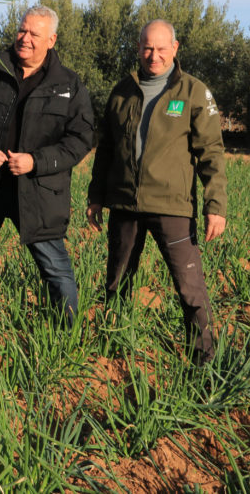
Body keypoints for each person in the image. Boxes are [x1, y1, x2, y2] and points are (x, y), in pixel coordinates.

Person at [86, 19, 227, 365]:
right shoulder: (122, 92)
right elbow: (106, 150)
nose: (154, 56)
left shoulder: (193, 92)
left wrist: (215, 204)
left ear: (175, 49)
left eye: (162, 48)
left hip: (172, 207)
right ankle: (111, 354)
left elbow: (211, 150)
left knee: (190, 289)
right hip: (124, 204)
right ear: (138, 48)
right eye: (148, 48)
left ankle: (204, 362)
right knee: (117, 283)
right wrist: (96, 196)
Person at [0, 5, 93, 327]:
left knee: (56, 269)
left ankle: (65, 336)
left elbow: (81, 138)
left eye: (34, 34)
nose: (24, 39)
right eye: (22, 30)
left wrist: (36, 161)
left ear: (51, 40)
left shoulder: (68, 84)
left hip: (38, 194)